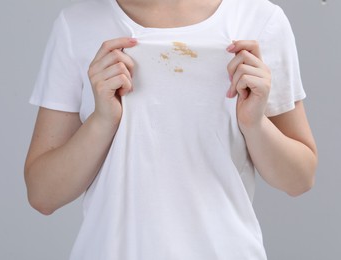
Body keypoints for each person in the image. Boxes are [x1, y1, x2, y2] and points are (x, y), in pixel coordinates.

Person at [24, 0, 318, 259]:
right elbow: (43, 195)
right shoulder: (78, 25)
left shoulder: (259, 21)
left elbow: (299, 178)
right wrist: (102, 121)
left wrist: (255, 123)